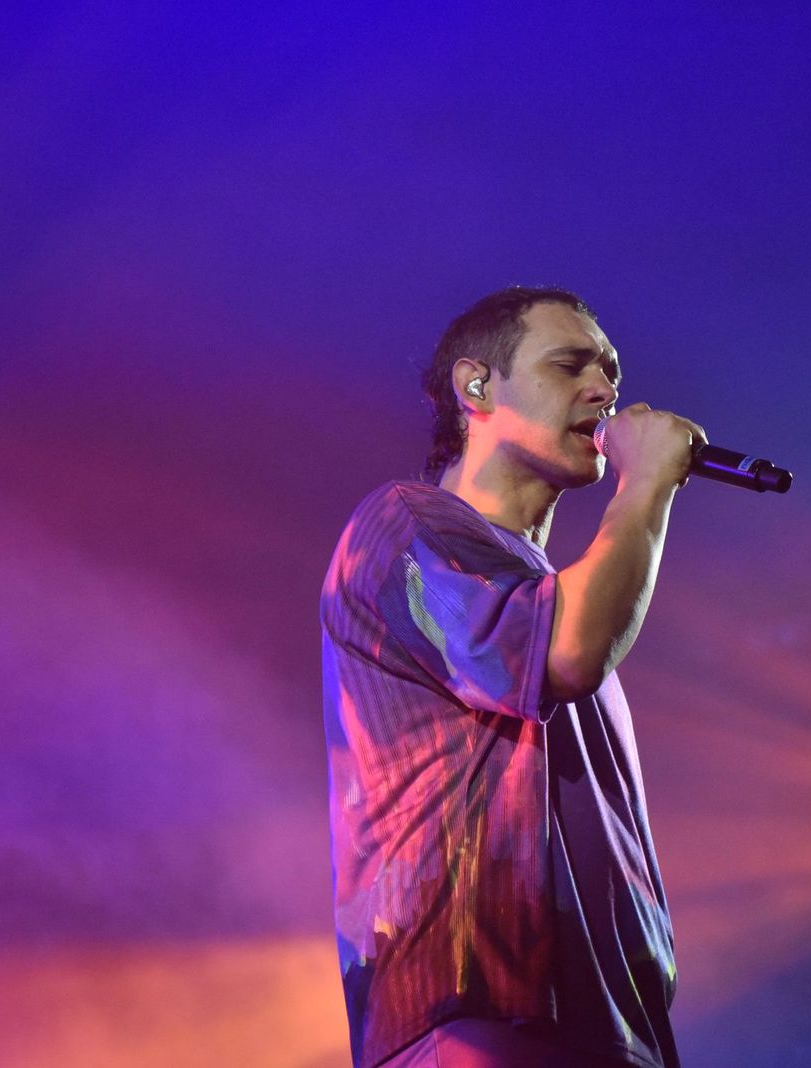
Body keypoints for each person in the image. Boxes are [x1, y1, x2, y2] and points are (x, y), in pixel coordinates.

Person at [320, 286, 703, 1067]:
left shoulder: (560, 597)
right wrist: (647, 486)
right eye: (570, 366)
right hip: (476, 1017)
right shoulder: (402, 524)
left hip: (604, 1034)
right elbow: (565, 653)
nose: (603, 391)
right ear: (477, 387)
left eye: (611, 374)